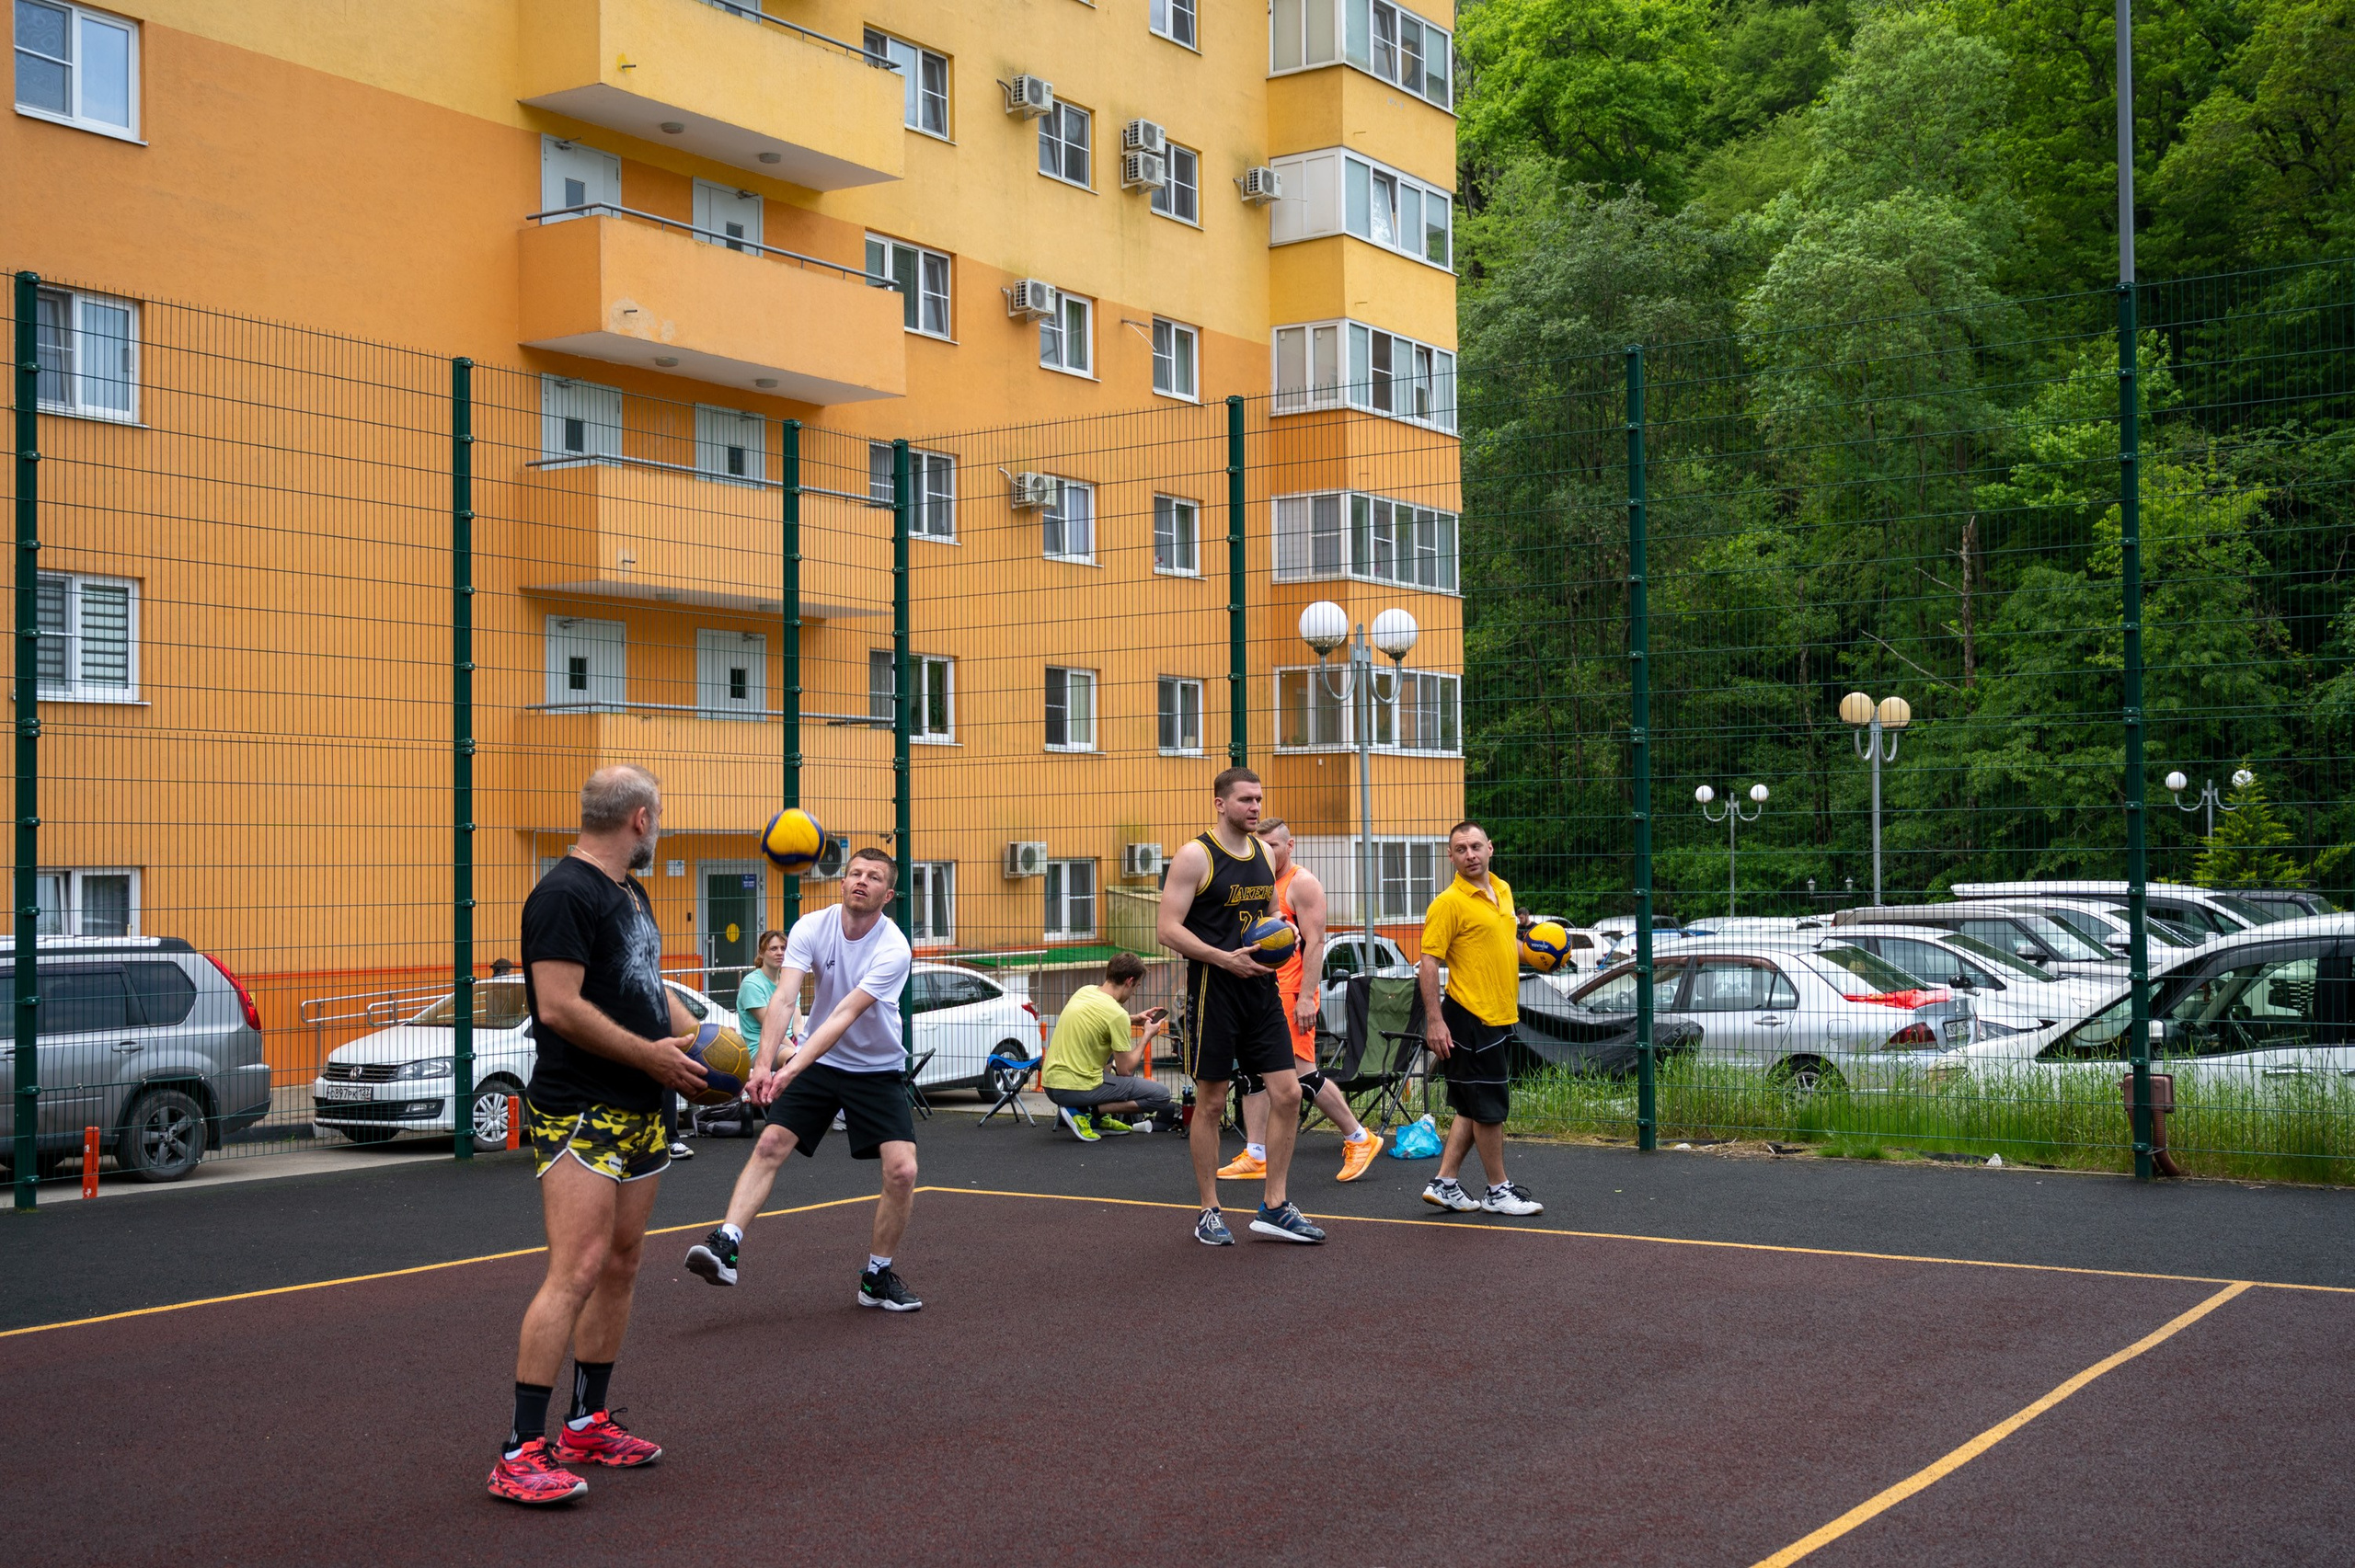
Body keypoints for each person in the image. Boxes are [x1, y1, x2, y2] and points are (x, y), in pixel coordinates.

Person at [488, 764, 709, 1506]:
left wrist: (712, 1042)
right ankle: (519, 1451)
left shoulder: (630, 892)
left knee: (621, 1261)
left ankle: (585, 1424)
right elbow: (557, 1006)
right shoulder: (562, 893)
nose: (661, 826)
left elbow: (646, 987)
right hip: (583, 1108)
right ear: (640, 819)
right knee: (575, 1268)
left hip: (645, 1106)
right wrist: (650, 1054)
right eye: (662, 814)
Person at [684, 847, 923, 1310]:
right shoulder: (812, 927)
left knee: (903, 1170)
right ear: (841, 883)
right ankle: (725, 1245)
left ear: (888, 894)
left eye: (873, 877)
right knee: (770, 1144)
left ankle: (877, 1276)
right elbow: (784, 998)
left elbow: (845, 1015)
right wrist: (762, 1066)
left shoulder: (894, 948)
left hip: (875, 1068)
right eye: (854, 873)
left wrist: (790, 1068)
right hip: (821, 1064)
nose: (861, 881)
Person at [1155, 767, 1325, 1246]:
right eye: (1246, 799)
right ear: (1220, 803)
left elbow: (1271, 912)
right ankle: (1209, 1209)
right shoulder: (1195, 856)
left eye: (1258, 799)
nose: (1254, 807)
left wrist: (1284, 931)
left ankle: (1274, 1206)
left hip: (1261, 988)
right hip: (1214, 988)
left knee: (1288, 1093)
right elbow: (1167, 929)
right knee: (1210, 1102)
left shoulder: (1264, 854)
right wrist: (1223, 958)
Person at [1219, 819, 1384, 1183]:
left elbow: (1316, 942)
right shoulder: (1258, 882)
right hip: (1258, 993)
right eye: (1261, 847)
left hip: (1292, 994)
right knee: (1252, 1073)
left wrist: (1307, 998)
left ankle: (1360, 1137)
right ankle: (1256, 1153)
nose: (1267, 853)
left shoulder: (1302, 883)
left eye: (1274, 847)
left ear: (1289, 845)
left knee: (1301, 1073)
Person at [1417, 820, 1543, 1218]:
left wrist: (1542, 953)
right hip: (1469, 1016)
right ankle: (1497, 1190)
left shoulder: (1502, 890)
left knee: (1472, 1106)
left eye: (1475, 846)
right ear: (1451, 857)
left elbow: (1503, 946)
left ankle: (1445, 1183)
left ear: (1490, 848)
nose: (1469, 855)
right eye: (1460, 849)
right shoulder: (1448, 903)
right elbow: (1428, 962)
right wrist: (1435, 1021)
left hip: (1500, 1013)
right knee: (1489, 1107)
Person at [1042, 952, 1175, 1141]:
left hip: (1051, 1085)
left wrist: (1134, 1019)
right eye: (1136, 986)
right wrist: (1147, 1035)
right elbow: (1125, 1070)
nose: (1135, 991)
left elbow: (1098, 1020)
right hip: (1075, 1089)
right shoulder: (1116, 1014)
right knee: (1161, 1095)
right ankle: (1088, 1112)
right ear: (1129, 981)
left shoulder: (1085, 991)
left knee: (1109, 1047)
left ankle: (1093, 1118)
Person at [734, 929, 787, 1039]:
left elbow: (797, 1024)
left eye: (783, 948)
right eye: (773, 949)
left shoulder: (788, 982)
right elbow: (772, 1029)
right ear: (761, 953)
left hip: (789, 1041)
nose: (780, 953)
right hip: (763, 1044)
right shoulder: (751, 984)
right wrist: (798, 1053)